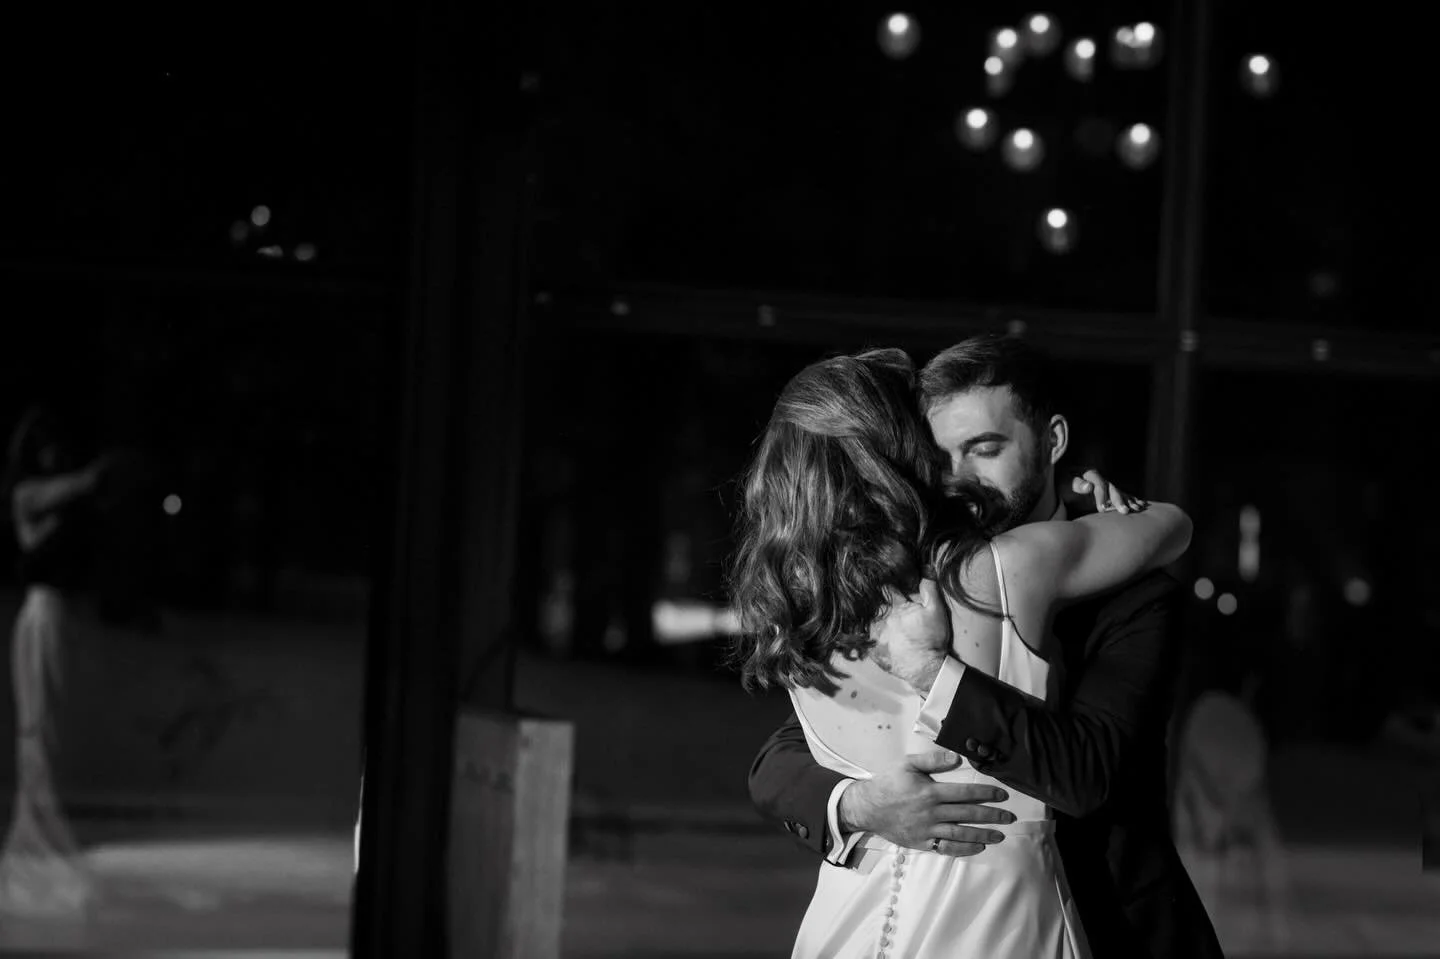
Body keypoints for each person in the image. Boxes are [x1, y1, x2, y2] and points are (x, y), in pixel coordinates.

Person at [746, 336, 1223, 958]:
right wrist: (856, 804)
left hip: (1110, 926)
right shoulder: (903, 578)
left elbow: (1088, 775)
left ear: (1052, 441)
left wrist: (935, 675)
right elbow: (782, 755)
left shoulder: (1132, 593)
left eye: (985, 448)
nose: (960, 479)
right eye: (940, 458)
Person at [0, 406, 110, 918]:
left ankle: (42, 853)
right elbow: (78, 486)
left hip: (61, 614)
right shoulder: (29, 495)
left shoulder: (57, 499)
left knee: (53, 734)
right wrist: (99, 474)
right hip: (43, 612)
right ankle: (36, 859)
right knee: (39, 733)